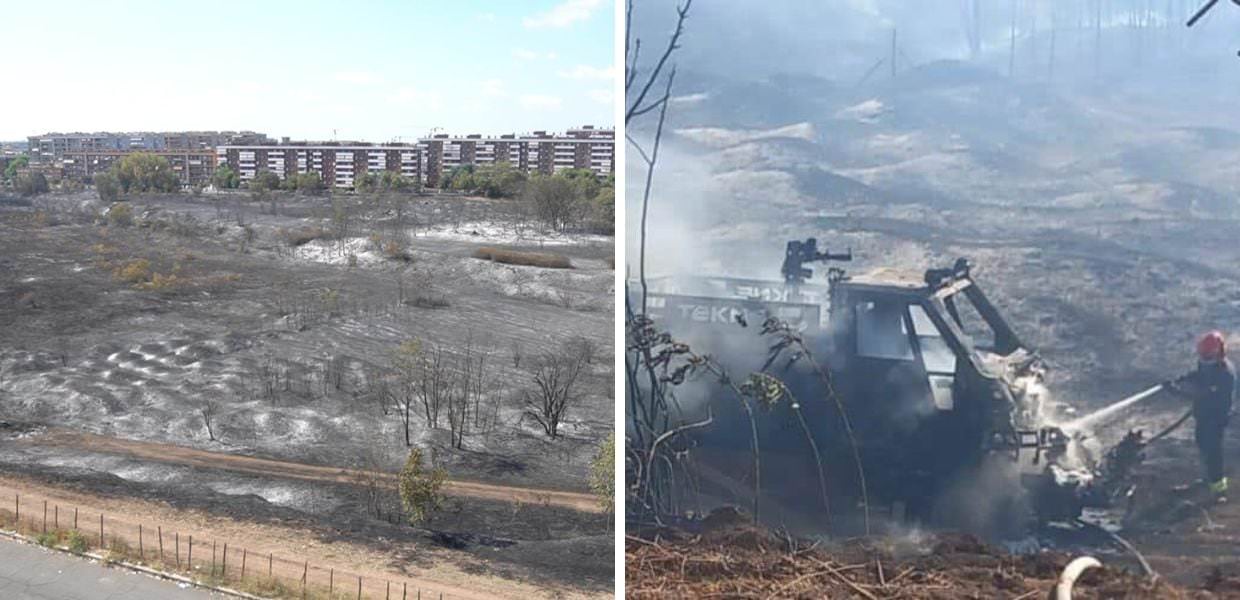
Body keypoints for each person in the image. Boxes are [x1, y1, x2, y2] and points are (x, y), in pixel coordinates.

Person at [1166, 331, 1236, 502]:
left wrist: (1175, 391)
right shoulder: (1209, 363)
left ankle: (1219, 491)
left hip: (1215, 417)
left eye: (1207, 354)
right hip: (1204, 415)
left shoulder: (1224, 373)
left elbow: (1200, 394)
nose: (1204, 357)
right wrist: (1183, 379)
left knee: (1213, 451)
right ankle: (1207, 479)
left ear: (1217, 352)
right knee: (1202, 443)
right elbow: (1199, 375)